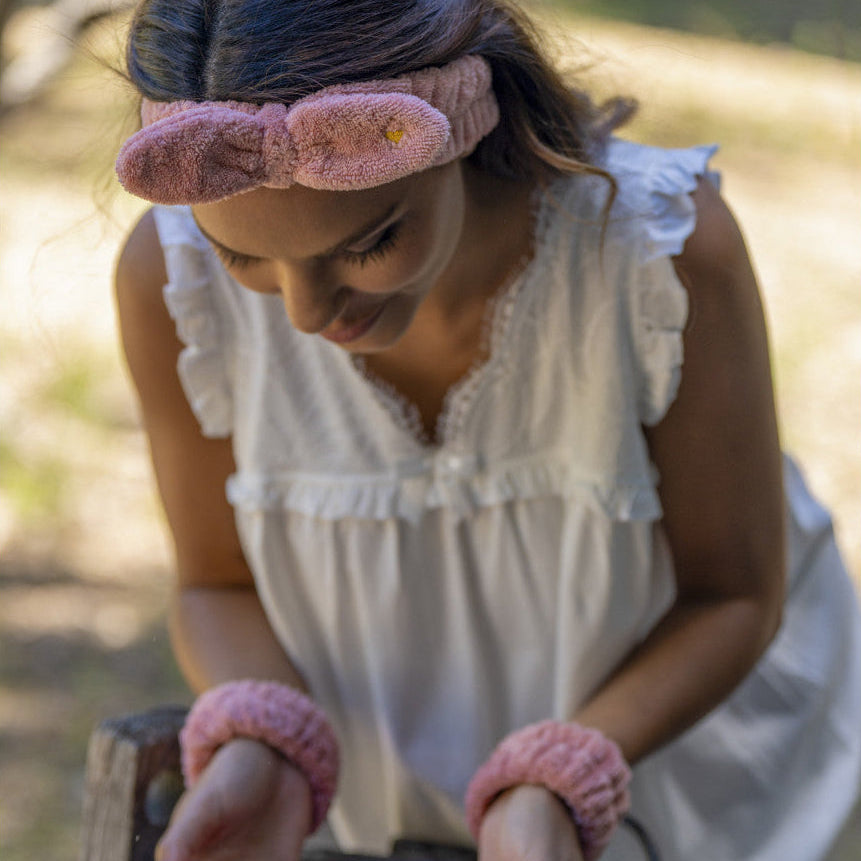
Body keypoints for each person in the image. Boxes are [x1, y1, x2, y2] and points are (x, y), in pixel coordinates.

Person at [112, 1, 861, 859]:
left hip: (678, 770)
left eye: (369, 241)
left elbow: (732, 593)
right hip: (377, 794)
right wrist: (266, 740)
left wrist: (562, 774)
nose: (305, 311)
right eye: (241, 255)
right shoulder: (168, 282)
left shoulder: (660, 253)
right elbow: (216, 584)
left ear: (467, 125)